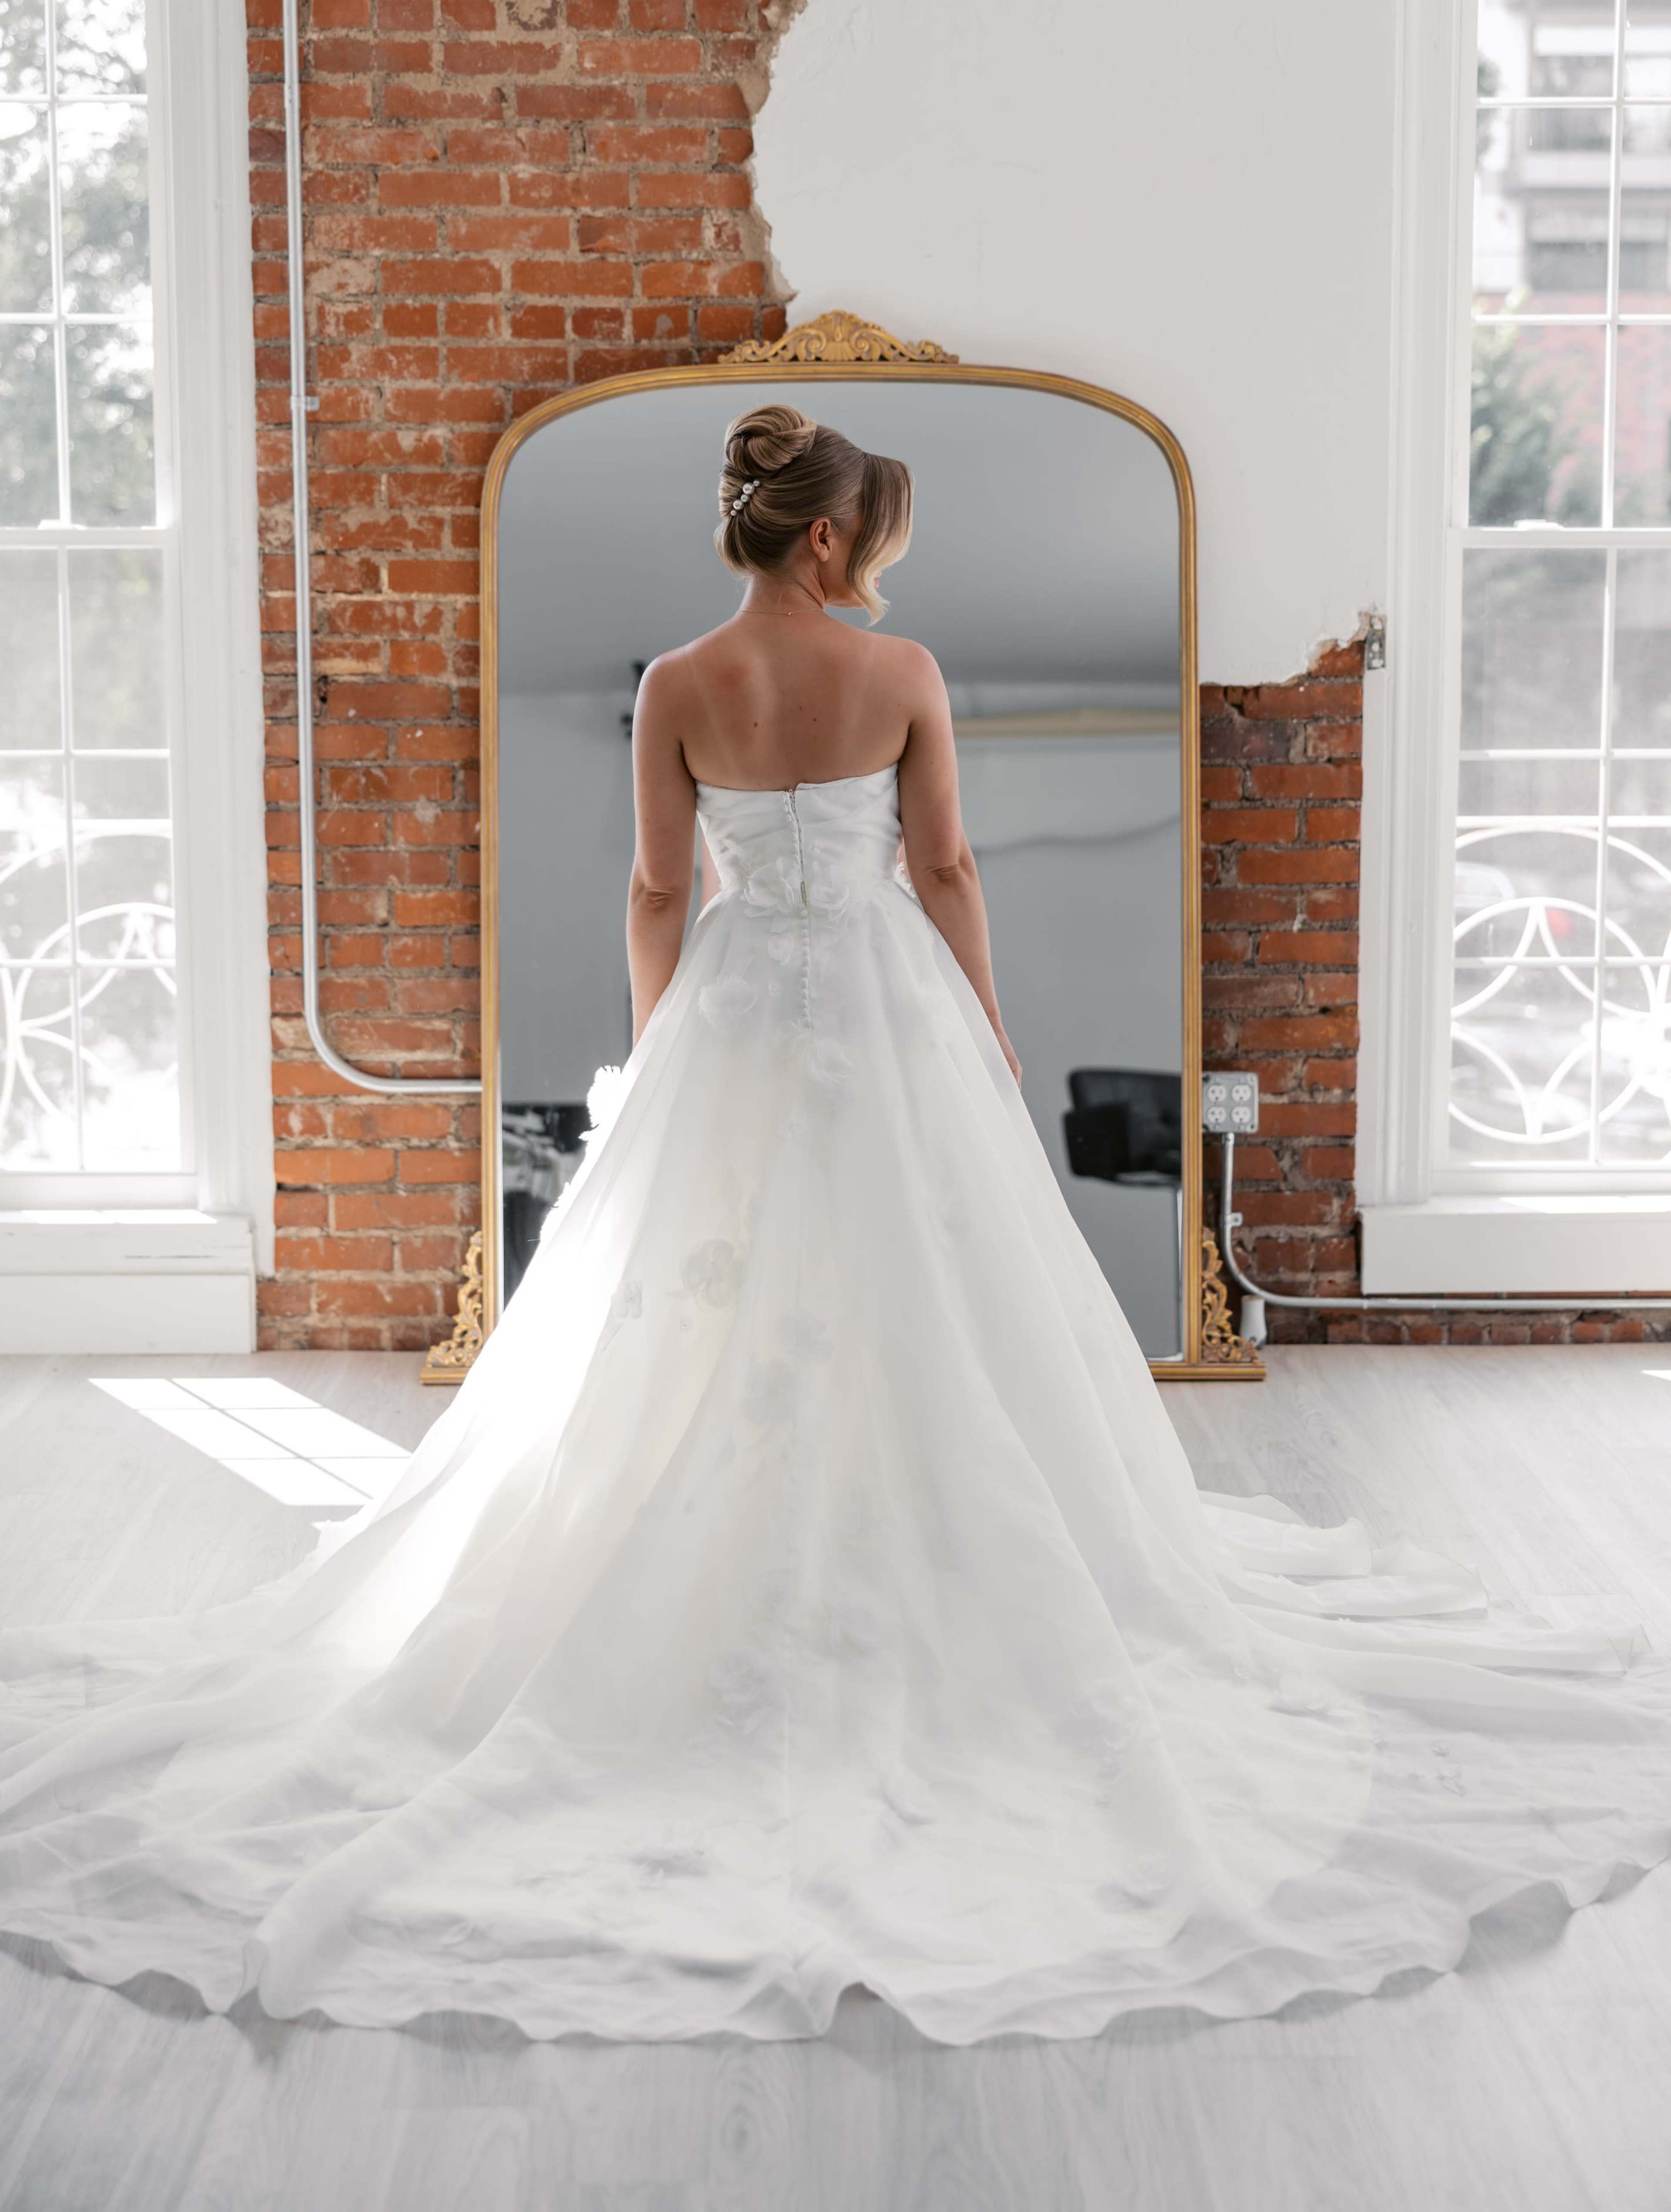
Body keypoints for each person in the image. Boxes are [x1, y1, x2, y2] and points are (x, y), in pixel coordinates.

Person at [0, 403, 1667, 2046]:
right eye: (873, 539)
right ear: (826, 536)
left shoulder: (675, 684)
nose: (880, 566)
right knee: (925, 1291)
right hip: (885, 1004)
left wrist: (659, 1042)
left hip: (728, 1006)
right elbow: (944, 868)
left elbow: (659, 890)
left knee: (691, 1305)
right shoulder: (902, 674)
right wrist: (992, 1026)